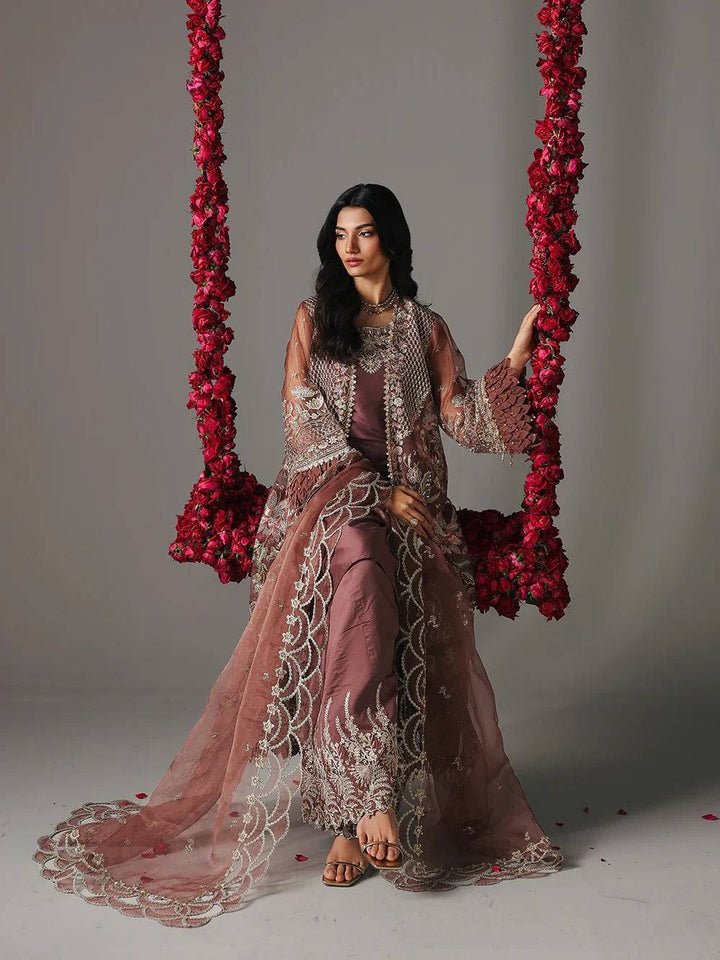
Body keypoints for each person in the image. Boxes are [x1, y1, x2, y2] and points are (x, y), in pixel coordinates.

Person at [34, 183, 563, 927]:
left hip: (415, 516)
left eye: (365, 232)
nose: (349, 246)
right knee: (358, 551)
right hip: (325, 503)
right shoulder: (317, 322)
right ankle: (367, 803)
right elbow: (302, 424)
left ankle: (353, 815)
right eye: (340, 234)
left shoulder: (424, 329)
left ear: (392, 243)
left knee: (376, 569)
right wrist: (372, 494)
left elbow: (463, 419)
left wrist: (512, 366)